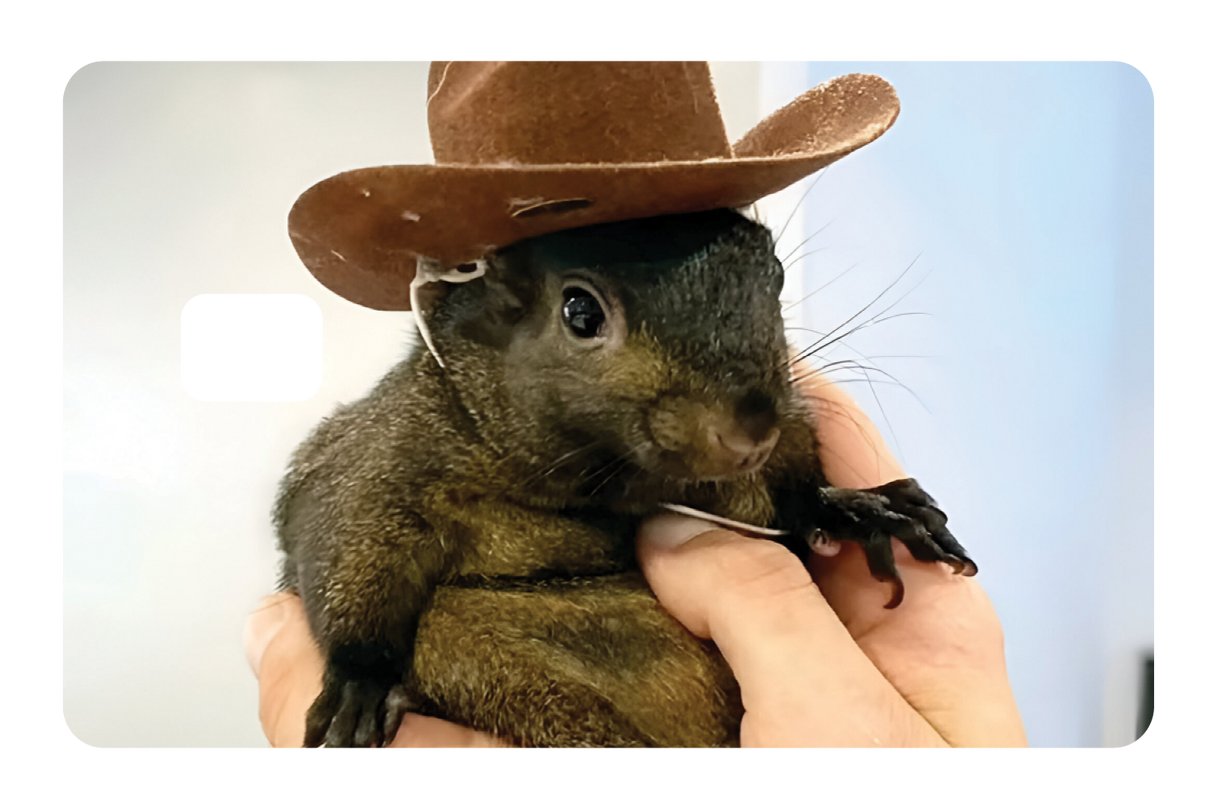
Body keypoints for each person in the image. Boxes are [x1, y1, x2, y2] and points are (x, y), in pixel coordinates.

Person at [245, 374, 1029, 750]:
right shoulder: (429, 435)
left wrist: (818, 505)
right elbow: (337, 514)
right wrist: (363, 661)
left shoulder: (766, 413)